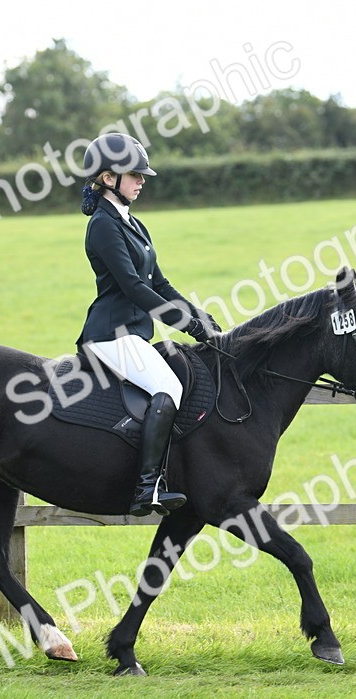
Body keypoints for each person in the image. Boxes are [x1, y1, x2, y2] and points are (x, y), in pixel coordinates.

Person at [75, 132, 220, 516]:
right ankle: (146, 489)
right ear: (109, 179)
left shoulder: (133, 223)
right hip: (110, 334)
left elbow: (160, 284)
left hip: (134, 334)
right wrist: (187, 326)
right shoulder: (104, 226)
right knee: (167, 386)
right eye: (135, 175)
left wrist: (199, 315)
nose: (142, 181)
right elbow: (135, 288)